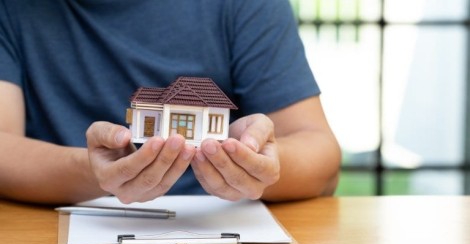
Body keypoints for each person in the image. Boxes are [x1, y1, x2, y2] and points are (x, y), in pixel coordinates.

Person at [0, 0, 341, 205]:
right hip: (64, 231)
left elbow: (321, 158)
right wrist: (94, 172)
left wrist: (253, 165)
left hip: (223, 235)